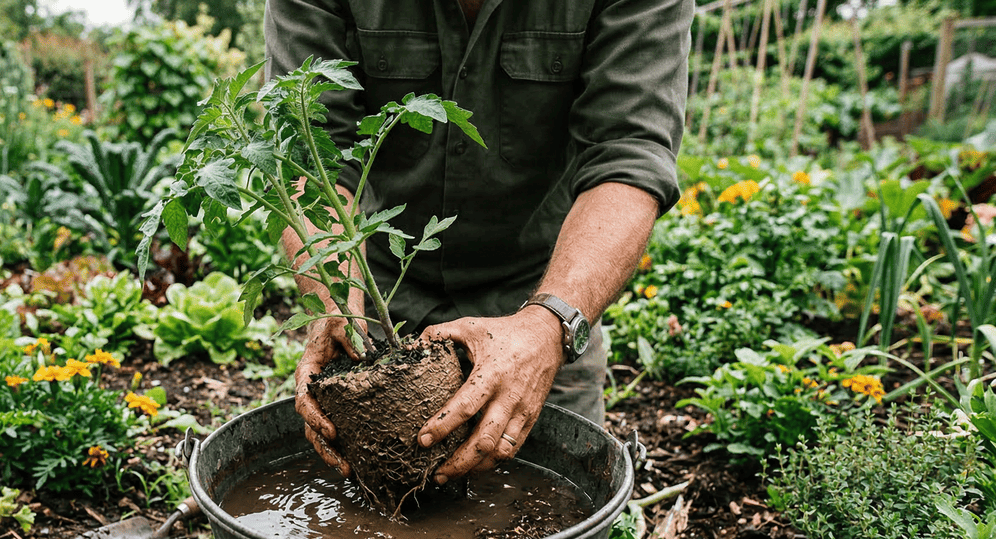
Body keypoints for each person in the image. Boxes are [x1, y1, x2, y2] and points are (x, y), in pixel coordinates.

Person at [265, 0, 692, 483]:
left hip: (539, 298)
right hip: (378, 301)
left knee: (548, 506)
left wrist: (550, 323)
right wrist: (334, 295)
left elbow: (629, 153)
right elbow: (308, 147)